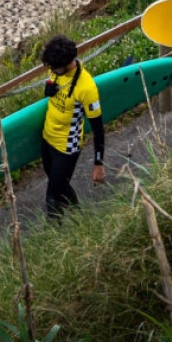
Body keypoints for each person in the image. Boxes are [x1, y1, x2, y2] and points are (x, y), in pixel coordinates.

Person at [37, 35, 104, 219]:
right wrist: (48, 92)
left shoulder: (86, 87)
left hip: (66, 148)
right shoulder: (56, 71)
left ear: (67, 63)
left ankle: (53, 237)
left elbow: (98, 128)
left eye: (53, 68)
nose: (51, 70)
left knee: (52, 196)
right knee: (60, 185)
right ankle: (79, 217)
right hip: (47, 139)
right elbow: (53, 95)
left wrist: (98, 164)